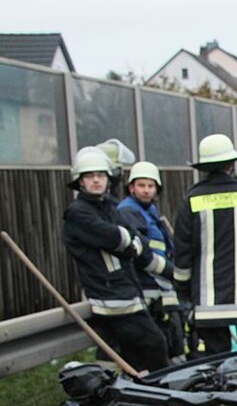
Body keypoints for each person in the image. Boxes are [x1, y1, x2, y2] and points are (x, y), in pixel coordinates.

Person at [61, 147, 171, 373]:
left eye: (100, 175)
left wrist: (130, 242)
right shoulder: (78, 212)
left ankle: (137, 400)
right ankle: (162, 396)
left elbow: (137, 241)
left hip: (126, 293)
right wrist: (129, 242)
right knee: (155, 345)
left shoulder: (110, 207)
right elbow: (114, 238)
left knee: (132, 357)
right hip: (112, 298)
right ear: (80, 182)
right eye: (90, 176)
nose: (96, 180)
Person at [173, 134, 237, 355]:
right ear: (231, 164)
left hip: (208, 302)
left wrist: (183, 290)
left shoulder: (191, 200)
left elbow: (182, 253)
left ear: (203, 168)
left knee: (217, 360)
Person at [117, 161, 186, 364]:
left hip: (162, 287)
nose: (146, 190)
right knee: (162, 342)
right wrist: (174, 272)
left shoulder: (151, 212)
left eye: (150, 186)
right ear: (131, 188)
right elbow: (142, 255)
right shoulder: (128, 212)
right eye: (141, 185)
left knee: (175, 337)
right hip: (148, 287)